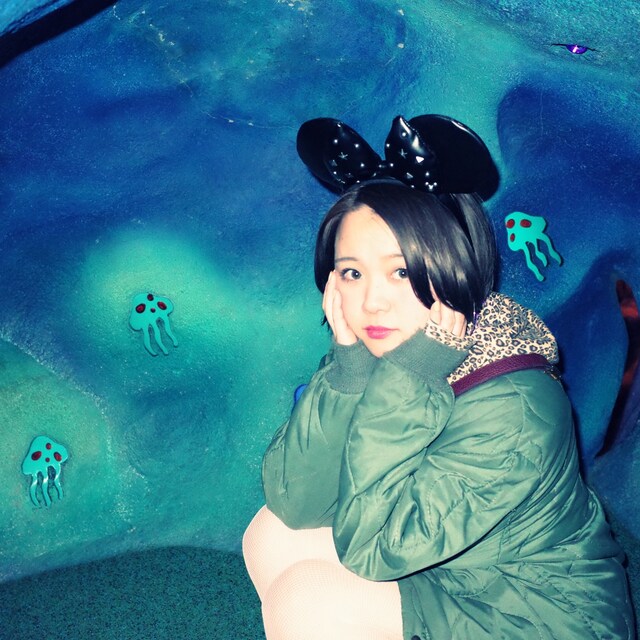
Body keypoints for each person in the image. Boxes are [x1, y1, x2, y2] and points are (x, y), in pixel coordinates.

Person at [242, 115, 636, 640]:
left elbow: (373, 548)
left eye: (401, 271)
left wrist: (409, 378)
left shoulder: (515, 406)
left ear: (454, 266)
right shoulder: (396, 343)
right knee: (273, 534)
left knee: (309, 603)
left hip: (536, 615)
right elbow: (296, 500)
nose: (371, 301)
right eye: (353, 272)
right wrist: (348, 371)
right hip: (448, 574)